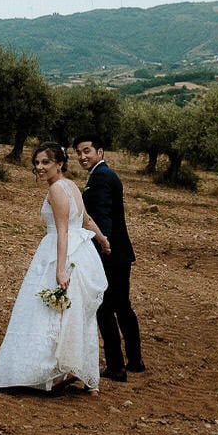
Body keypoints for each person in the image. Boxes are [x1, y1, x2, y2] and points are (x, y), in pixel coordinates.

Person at [0, 142, 110, 394]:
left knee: (47, 312)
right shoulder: (72, 186)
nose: (40, 167)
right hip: (81, 252)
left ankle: (46, 372)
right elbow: (86, 220)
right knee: (70, 314)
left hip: (62, 253)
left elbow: (64, 229)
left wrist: (61, 269)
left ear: (60, 164)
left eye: (45, 162)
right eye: (36, 163)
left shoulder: (57, 189)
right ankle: (72, 369)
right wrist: (102, 239)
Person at [75, 136, 144, 381]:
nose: (82, 156)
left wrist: (101, 244)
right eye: (79, 153)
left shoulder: (102, 177)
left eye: (87, 151)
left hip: (110, 253)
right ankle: (135, 360)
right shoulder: (104, 174)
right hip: (121, 253)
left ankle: (116, 366)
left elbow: (103, 214)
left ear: (100, 151)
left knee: (104, 307)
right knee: (122, 306)